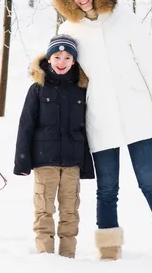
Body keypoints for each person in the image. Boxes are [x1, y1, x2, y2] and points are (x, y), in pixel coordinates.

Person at [51, 0, 152, 266]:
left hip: (136, 112)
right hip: (99, 118)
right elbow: (65, 74)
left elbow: (150, 67)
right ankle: (109, 251)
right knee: (107, 188)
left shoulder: (123, 19)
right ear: (68, 0)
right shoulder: (68, 30)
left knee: (149, 180)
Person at [13, 34, 95, 259]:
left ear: (74, 61)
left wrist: (86, 165)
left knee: (70, 212)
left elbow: (88, 128)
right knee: (44, 210)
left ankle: (68, 258)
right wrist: (23, 161)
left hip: (72, 162)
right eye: (57, 56)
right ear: (48, 59)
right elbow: (26, 125)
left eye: (67, 57)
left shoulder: (82, 89)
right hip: (44, 160)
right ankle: (45, 258)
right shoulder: (38, 89)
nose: (62, 61)